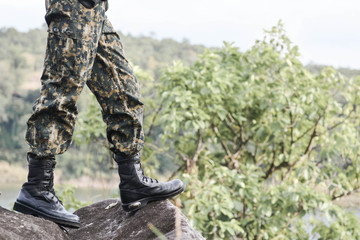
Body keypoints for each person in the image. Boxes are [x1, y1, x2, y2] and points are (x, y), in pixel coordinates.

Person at [13, 0, 185, 228]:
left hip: (95, 10)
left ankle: (132, 180)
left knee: (124, 90)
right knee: (62, 88)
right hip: (72, 6)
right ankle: (38, 188)